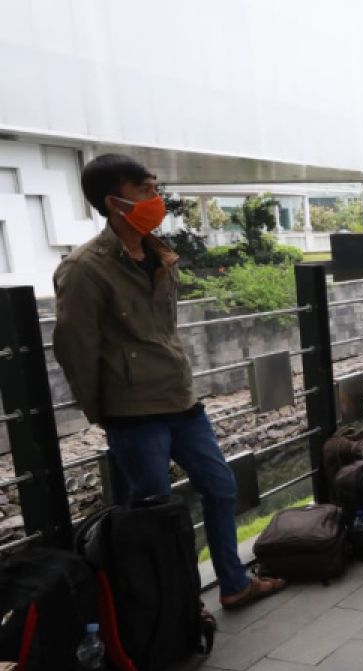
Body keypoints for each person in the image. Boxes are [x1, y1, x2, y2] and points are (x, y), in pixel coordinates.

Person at [53, 154, 285, 611]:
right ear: (113, 202)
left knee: (220, 487)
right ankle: (172, 604)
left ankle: (233, 582)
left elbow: (166, 331)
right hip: (133, 412)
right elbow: (75, 348)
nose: (155, 199)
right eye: (143, 190)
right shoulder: (85, 268)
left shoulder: (160, 254)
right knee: (153, 511)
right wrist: (102, 412)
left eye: (155, 188)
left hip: (181, 399)